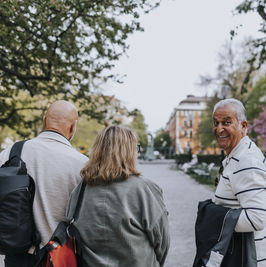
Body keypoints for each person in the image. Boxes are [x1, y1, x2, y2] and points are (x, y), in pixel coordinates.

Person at [66, 125, 170, 267]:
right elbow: (162, 241)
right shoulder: (145, 189)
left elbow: (71, 231)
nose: (138, 154)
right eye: (136, 149)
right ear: (129, 152)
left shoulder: (81, 188)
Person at [0, 100, 88, 267]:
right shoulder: (82, 164)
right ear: (73, 127)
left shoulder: (10, 153)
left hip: (16, 256)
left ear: (44, 120)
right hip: (59, 257)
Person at [211, 98, 266, 266]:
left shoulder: (246, 160)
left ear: (243, 126)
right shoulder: (239, 154)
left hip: (257, 260)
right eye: (216, 123)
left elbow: (256, 218)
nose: (219, 128)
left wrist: (213, 218)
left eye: (226, 122)